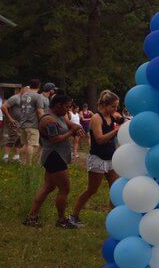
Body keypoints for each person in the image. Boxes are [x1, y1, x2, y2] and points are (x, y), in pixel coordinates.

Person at [23, 94, 86, 228]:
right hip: (54, 156)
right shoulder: (49, 120)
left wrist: (77, 127)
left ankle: (31, 217)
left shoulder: (60, 115)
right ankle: (62, 220)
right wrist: (71, 132)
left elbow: (71, 124)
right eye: (67, 107)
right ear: (58, 106)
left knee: (48, 187)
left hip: (57, 156)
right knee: (64, 189)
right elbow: (55, 139)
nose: (69, 110)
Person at [68, 90, 123, 226]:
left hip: (111, 158)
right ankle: (73, 216)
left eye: (117, 107)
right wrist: (116, 130)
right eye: (113, 106)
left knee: (115, 189)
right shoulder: (96, 118)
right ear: (105, 105)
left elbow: (121, 119)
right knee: (92, 190)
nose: (116, 109)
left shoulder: (113, 116)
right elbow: (99, 139)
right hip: (97, 159)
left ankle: (114, 219)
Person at [18, 79, 45, 165]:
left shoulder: (23, 95)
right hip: (33, 124)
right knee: (32, 145)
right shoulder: (38, 96)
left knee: (25, 144)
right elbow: (40, 111)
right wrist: (44, 121)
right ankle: (28, 164)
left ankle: (23, 162)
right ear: (39, 86)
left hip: (23, 123)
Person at [1, 85, 24, 162]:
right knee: (12, 138)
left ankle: (16, 157)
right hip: (14, 122)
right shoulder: (15, 98)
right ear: (22, 90)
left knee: (20, 140)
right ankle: (5, 156)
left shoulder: (27, 99)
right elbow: (3, 107)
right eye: (27, 90)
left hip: (22, 123)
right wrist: (10, 119)